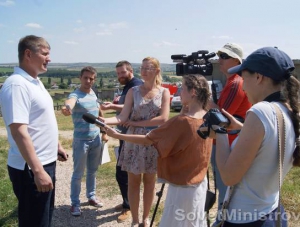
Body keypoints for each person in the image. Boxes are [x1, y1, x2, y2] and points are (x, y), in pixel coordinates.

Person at [203, 47, 300, 226]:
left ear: (258, 77)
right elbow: (270, 143)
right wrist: (241, 128)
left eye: (243, 76)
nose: (242, 83)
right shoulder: (287, 110)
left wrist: (220, 132)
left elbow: (229, 177)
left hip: (246, 218)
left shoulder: (260, 111)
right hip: (271, 212)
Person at [103, 74, 212, 227]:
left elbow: (148, 139)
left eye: (183, 89)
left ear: (193, 92)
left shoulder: (182, 121)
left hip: (182, 186)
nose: (179, 93)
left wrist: (118, 135)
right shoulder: (208, 117)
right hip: (200, 183)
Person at [0, 35, 68, 227]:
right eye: (45, 53)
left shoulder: (34, 82)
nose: (49, 58)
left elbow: (40, 120)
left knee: (43, 219)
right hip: (30, 168)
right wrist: (38, 171)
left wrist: (56, 145)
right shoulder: (17, 85)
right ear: (28, 54)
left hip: (44, 162)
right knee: (34, 222)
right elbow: (19, 131)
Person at [100, 57, 170, 227]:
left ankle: (145, 218)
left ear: (157, 71)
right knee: (133, 182)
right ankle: (135, 219)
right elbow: (122, 117)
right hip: (133, 141)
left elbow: (163, 118)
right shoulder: (133, 92)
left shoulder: (164, 92)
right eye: (142, 68)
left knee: (150, 182)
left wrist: (137, 123)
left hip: (152, 141)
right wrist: (103, 121)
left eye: (148, 68)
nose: (144, 71)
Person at [209, 43, 252, 226]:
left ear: (237, 60)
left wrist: (206, 100)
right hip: (226, 143)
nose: (220, 60)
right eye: (219, 55)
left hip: (228, 145)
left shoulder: (236, 83)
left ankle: (223, 221)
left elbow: (221, 118)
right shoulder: (232, 82)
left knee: (226, 190)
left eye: (225, 56)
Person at [100, 60, 143, 223]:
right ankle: (128, 203)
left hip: (132, 136)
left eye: (122, 72)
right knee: (123, 172)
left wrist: (112, 106)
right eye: (118, 73)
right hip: (126, 135)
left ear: (130, 71)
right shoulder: (129, 86)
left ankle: (130, 207)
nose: (120, 76)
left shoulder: (135, 85)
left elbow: (131, 107)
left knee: (126, 173)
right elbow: (126, 107)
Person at [61, 66, 107, 216]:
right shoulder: (76, 94)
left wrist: (103, 131)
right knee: (78, 173)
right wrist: (67, 108)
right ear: (80, 78)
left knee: (92, 171)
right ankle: (75, 203)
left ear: (94, 80)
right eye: (86, 78)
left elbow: (98, 109)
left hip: (96, 139)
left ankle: (91, 196)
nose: (88, 81)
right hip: (81, 141)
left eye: (91, 78)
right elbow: (70, 102)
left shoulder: (93, 93)